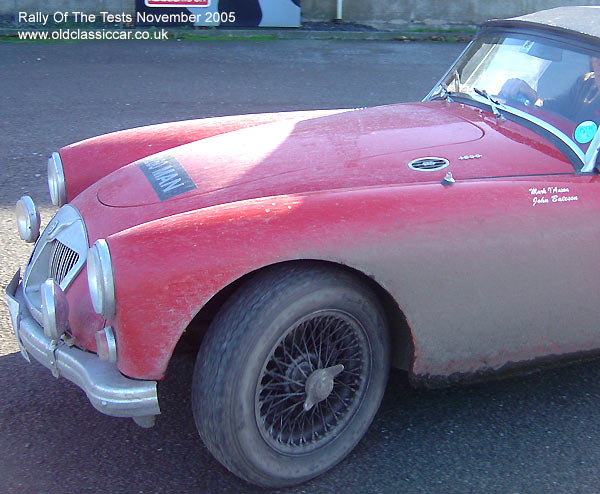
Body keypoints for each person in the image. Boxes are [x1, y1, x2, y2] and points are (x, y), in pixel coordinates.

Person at [499, 57, 600, 123]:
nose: (598, 62)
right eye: (596, 56)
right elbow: (558, 109)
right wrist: (533, 98)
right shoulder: (586, 83)